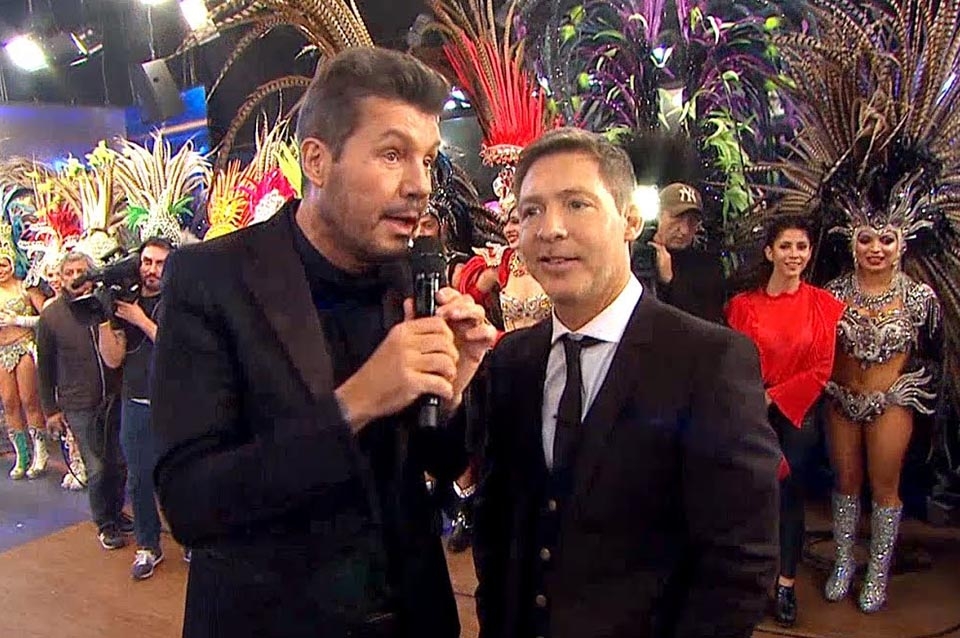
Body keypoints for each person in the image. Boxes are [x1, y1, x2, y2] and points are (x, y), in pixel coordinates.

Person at [151, 47, 496, 638]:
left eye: (427, 159)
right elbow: (191, 503)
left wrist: (454, 390)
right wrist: (356, 402)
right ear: (316, 159)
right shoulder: (212, 279)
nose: (420, 185)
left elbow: (438, 464)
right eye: (392, 154)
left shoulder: (409, 278)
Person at [472, 127, 781, 638]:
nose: (550, 229)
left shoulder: (708, 361)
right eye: (531, 211)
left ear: (631, 220)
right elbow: (497, 522)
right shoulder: (513, 361)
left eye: (577, 204)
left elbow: (739, 561)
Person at [726, 215, 845, 627]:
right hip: (750, 412)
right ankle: (752, 582)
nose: (794, 255)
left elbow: (822, 368)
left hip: (797, 413)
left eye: (801, 247)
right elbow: (733, 359)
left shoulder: (823, 305)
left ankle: (786, 584)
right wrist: (752, 398)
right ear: (769, 252)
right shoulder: (743, 306)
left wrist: (773, 396)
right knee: (750, 496)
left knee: (789, 496)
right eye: (786, 247)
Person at [823, 223, 942, 613]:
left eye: (886, 239)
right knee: (845, 481)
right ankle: (844, 561)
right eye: (866, 239)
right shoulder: (833, 292)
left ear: (901, 244)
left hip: (891, 402)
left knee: (884, 487)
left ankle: (877, 572)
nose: (876, 248)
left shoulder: (918, 298)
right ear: (852, 243)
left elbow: (934, 355)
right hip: (840, 398)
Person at [36, 251, 127, 548]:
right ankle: (105, 524)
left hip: (113, 397)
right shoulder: (51, 315)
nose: (76, 277)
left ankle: (116, 513)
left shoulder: (107, 304)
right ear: (61, 278)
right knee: (96, 466)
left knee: (118, 462)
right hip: (77, 403)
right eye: (69, 272)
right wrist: (50, 410)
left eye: (81, 271)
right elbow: (45, 365)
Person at [98, 237, 172, 580]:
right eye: (147, 262)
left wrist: (141, 319)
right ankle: (148, 545)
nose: (151, 270)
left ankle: (191, 539)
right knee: (139, 477)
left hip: (175, 404)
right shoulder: (126, 302)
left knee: (179, 475)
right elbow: (113, 359)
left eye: (159, 263)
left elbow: (178, 348)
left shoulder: (179, 300)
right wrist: (103, 319)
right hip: (136, 402)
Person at [637, 183, 726, 323]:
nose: (684, 230)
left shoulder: (708, 267)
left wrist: (670, 282)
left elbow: (705, 323)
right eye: (677, 218)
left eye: (692, 221)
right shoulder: (634, 252)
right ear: (659, 215)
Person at [0, 233, 47, 480]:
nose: (1, 270)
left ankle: (41, 452)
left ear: (12, 263)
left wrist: (19, 320)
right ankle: (22, 455)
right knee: (9, 402)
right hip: (1, 352)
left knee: (29, 399)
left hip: (23, 346)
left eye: (4, 264)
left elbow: (48, 316)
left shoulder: (25, 286)